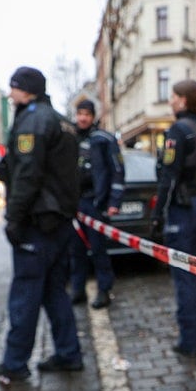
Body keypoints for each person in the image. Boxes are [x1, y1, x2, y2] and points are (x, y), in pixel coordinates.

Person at [0, 66, 83, 382]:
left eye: (13, 88)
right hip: (59, 221)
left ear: (26, 90)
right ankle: (68, 353)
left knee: (26, 293)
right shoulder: (61, 121)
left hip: (38, 221)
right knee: (54, 291)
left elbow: (27, 175)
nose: (10, 94)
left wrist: (14, 217)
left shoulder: (33, 121)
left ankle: (15, 363)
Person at [151, 79, 196, 357]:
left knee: (186, 276)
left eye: (173, 96)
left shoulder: (178, 131)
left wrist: (157, 215)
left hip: (186, 210)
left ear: (182, 100)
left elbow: (169, 177)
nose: (170, 101)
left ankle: (189, 341)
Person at [70, 99, 125, 309]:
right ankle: (78, 289)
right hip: (75, 204)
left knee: (99, 249)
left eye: (87, 114)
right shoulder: (70, 139)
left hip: (96, 203)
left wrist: (113, 202)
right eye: (80, 113)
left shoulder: (104, 139)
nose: (82, 118)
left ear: (93, 116)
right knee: (75, 250)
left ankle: (104, 290)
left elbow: (117, 171)